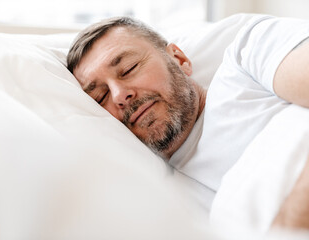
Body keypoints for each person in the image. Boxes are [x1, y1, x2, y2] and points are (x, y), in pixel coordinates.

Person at [67, 15, 309, 229]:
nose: (119, 95)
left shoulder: (246, 59)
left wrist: (291, 223)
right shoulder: (165, 208)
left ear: (179, 59)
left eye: (129, 68)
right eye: (101, 96)